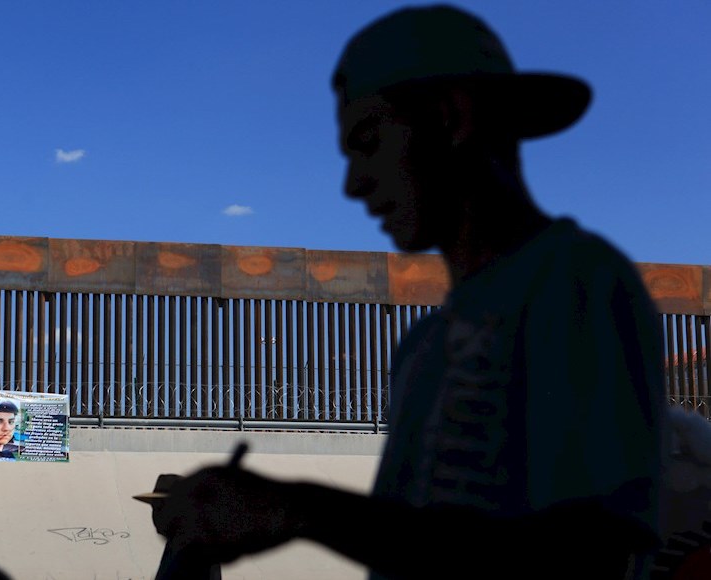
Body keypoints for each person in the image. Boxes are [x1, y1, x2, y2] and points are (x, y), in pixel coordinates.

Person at [156, 5, 665, 579]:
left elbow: (592, 549)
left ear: (450, 118)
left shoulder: (578, 282)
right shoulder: (422, 346)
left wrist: (299, 508)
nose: (353, 184)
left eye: (368, 141)